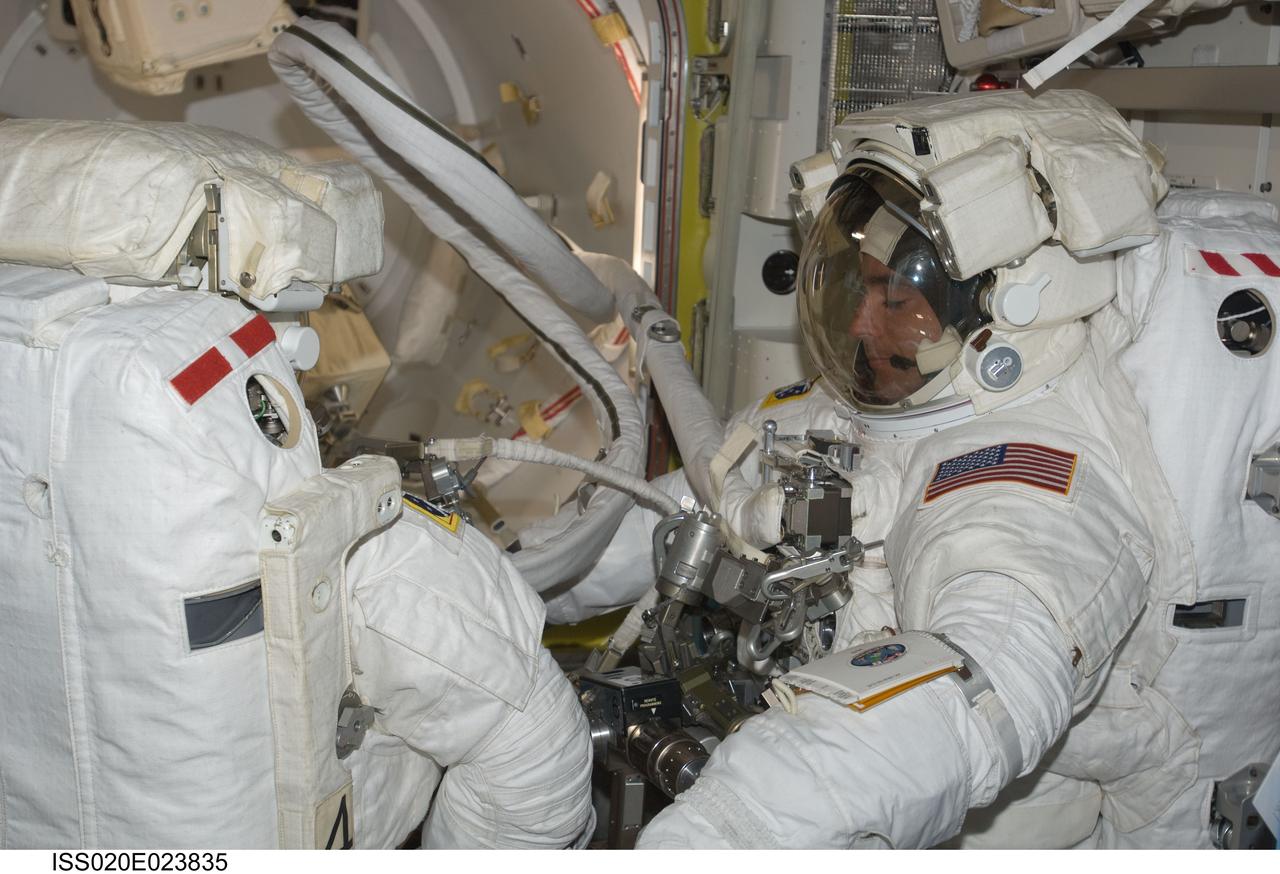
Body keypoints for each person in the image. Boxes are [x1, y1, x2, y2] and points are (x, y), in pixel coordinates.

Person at [628, 89, 1279, 848]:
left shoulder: (1027, 475)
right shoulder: (873, 402)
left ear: (1005, 307)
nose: (861, 323)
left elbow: (979, 683)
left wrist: (731, 828)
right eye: (862, 286)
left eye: (895, 296)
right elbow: (699, 493)